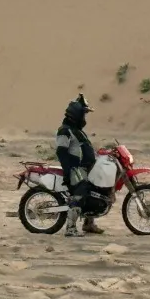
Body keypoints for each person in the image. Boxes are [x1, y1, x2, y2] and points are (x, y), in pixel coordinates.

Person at [56, 93, 100, 237]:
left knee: (95, 191)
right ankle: (70, 228)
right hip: (75, 169)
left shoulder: (76, 130)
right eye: (83, 114)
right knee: (81, 192)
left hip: (85, 167)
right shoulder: (65, 130)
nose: (84, 117)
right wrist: (68, 172)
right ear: (76, 114)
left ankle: (89, 223)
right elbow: (61, 152)